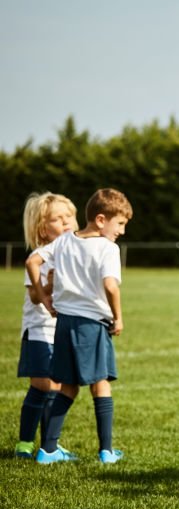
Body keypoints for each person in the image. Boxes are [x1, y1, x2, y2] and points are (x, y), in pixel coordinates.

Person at [25, 187, 133, 465]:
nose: (121, 230)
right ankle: (107, 451)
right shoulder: (108, 248)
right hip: (92, 325)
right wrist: (118, 317)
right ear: (100, 219)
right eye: (119, 223)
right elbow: (110, 285)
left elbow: (32, 260)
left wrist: (44, 296)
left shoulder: (64, 242)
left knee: (68, 387)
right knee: (101, 384)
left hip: (64, 325)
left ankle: (47, 450)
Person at [15, 192, 78, 459]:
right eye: (58, 218)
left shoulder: (70, 254)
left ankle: (40, 445)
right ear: (43, 227)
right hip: (40, 329)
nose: (66, 222)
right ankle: (34, 444)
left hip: (59, 331)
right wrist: (49, 285)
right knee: (46, 386)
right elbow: (34, 295)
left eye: (70, 216)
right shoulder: (41, 256)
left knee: (48, 387)